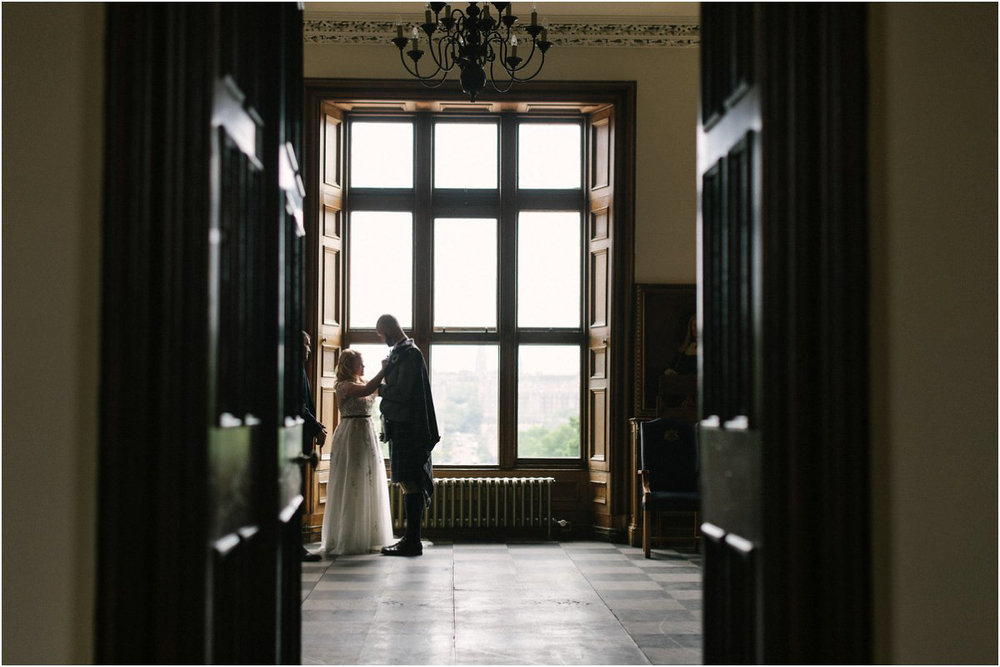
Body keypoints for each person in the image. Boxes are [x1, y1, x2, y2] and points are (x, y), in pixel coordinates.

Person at [375, 314, 439, 557]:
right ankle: (410, 539)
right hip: (401, 426)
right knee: (405, 481)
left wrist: (379, 386)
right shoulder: (402, 353)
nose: (382, 340)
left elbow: (402, 392)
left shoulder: (410, 354)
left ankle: (412, 541)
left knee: (410, 481)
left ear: (389, 330)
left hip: (409, 429)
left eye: (381, 335)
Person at [320, 350, 394, 555]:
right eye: (360, 364)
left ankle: (369, 534)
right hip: (350, 434)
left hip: (366, 432)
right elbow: (369, 389)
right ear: (349, 365)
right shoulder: (344, 386)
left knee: (367, 480)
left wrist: (389, 370)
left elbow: (379, 388)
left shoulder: (364, 381)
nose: (364, 367)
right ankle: (347, 535)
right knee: (351, 480)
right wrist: (384, 368)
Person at [300, 331, 327, 562]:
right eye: (307, 345)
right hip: (294, 442)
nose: (310, 349)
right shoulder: (293, 371)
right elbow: (299, 407)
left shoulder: (300, 370)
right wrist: (317, 428)